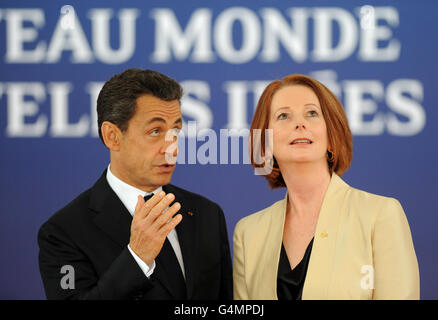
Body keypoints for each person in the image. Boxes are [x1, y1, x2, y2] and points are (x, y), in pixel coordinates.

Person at [38, 68, 233, 300]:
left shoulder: (207, 214)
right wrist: (137, 258)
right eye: (155, 131)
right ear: (112, 136)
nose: (172, 149)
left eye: (175, 131)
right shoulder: (63, 233)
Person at [233, 74, 419, 300]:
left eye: (312, 113)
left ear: (331, 136)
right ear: (265, 143)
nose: (299, 123)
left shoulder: (380, 215)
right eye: (283, 116)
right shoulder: (248, 233)